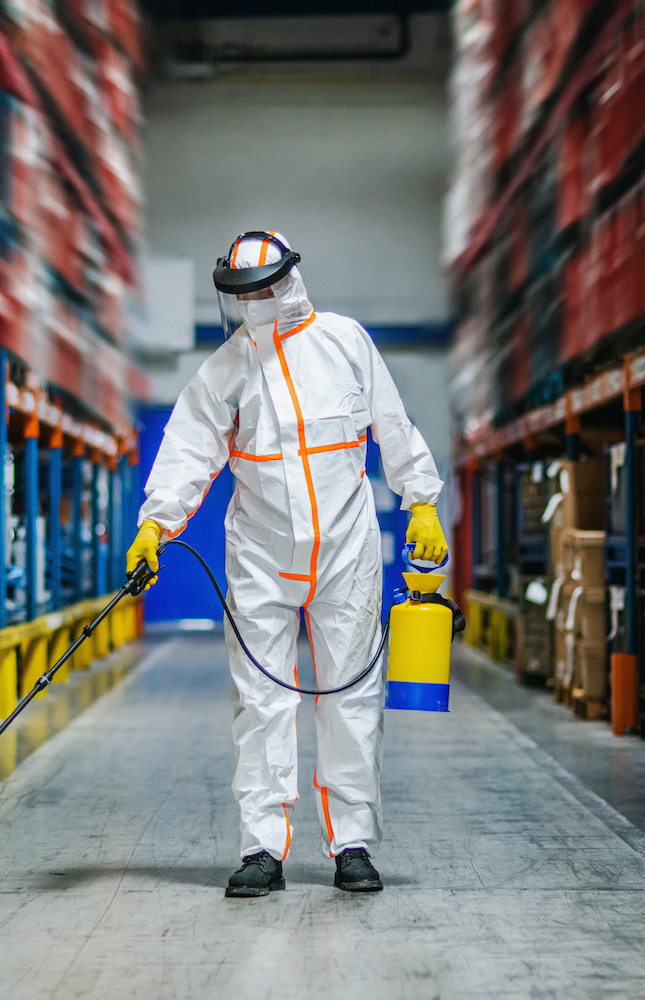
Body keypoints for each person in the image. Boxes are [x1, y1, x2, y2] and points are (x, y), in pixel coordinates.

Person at [126, 231, 446, 897]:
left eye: (268, 286)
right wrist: (155, 525)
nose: (261, 302)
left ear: (292, 277)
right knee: (260, 701)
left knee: (352, 697)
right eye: (247, 294)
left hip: (345, 552)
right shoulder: (227, 369)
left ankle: (351, 843)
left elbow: (392, 422)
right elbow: (187, 450)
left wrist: (421, 501)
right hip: (260, 557)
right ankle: (261, 849)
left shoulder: (345, 342)